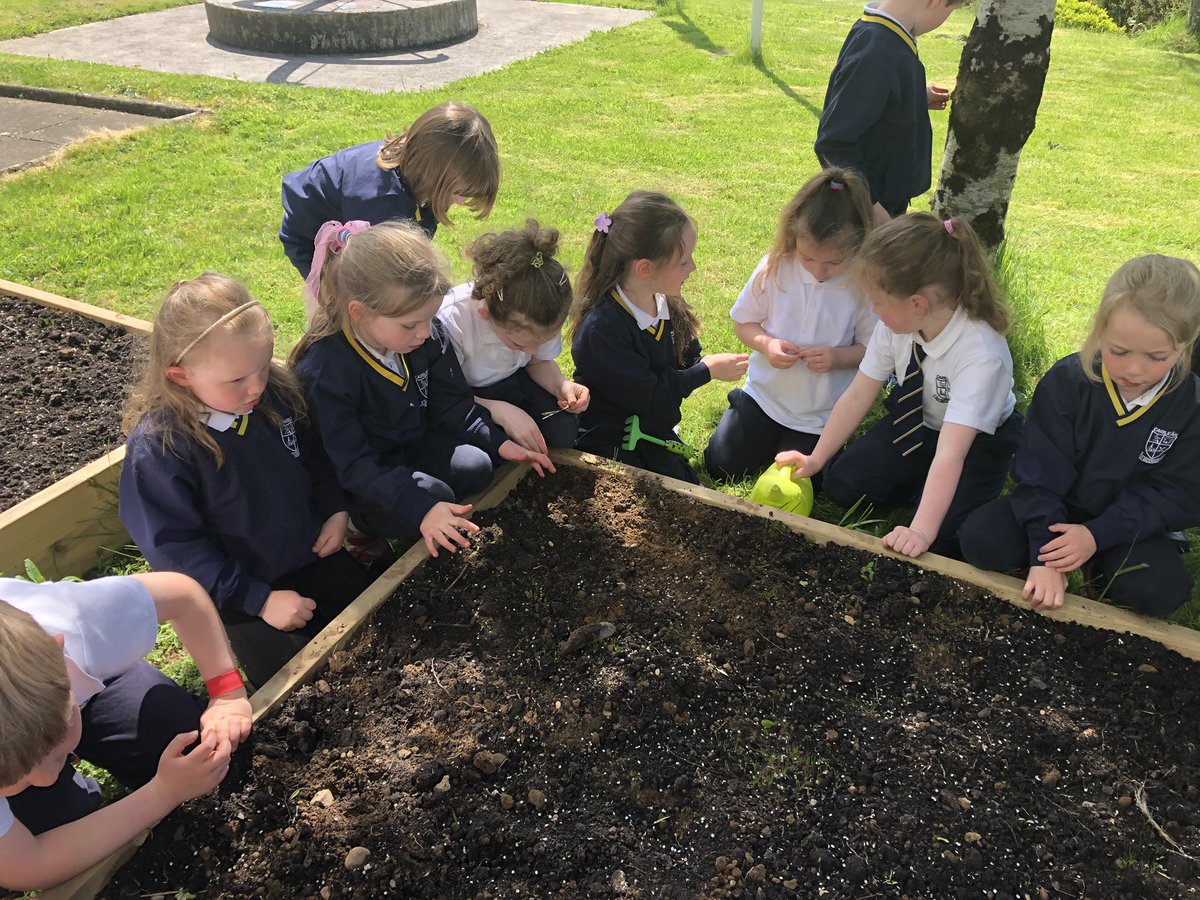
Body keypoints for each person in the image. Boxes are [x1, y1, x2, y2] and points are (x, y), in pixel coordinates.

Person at [120, 274, 373, 689]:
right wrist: (259, 600)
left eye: (263, 364)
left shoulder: (275, 393)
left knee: (379, 627)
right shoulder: (161, 449)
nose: (257, 385)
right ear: (180, 376)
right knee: (303, 687)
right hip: (241, 590)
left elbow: (313, 457)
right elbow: (177, 552)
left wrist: (334, 508)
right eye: (236, 379)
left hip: (311, 555)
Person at [290, 220, 554, 559]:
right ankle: (362, 528)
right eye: (411, 324)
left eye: (429, 319)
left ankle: (422, 508)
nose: (426, 333)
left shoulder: (423, 337)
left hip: (413, 446)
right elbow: (354, 465)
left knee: (477, 466)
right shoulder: (327, 371)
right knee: (434, 496)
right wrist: (422, 509)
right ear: (359, 313)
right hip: (361, 478)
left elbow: (450, 401)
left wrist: (498, 441)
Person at [960, 256, 1200, 615]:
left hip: (1127, 524)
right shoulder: (1067, 382)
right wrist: (1045, 554)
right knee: (980, 539)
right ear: (1100, 331)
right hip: (1058, 510)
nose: (1135, 370)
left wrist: (1097, 535)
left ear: (1186, 346)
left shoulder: (1191, 405)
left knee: (1161, 592)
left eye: (1156, 356)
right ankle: (1052, 566)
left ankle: (1096, 568)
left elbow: (1175, 492)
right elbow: (1039, 473)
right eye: (1119, 351)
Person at [776, 213, 1022, 559]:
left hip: (976, 443)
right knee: (842, 483)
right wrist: (816, 458)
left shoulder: (981, 355)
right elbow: (860, 392)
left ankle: (930, 499)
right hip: (915, 422)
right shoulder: (896, 326)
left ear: (917, 303)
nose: (873, 311)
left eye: (877, 302)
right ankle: (920, 484)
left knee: (944, 538)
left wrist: (921, 530)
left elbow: (952, 453)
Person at [0, 571, 250, 891]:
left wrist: (227, 693)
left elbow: (183, 596)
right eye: (13, 779)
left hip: (82, 681)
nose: (45, 777)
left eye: (58, 741)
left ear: (58, 654)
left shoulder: (78, 621)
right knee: (55, 825)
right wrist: (162, 793)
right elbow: (28, 865)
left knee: (173, 728)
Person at [704, 168, 878, 482]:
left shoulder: (863, 284)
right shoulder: (775, 267)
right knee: (721, 464)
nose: (819, 271)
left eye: (833, 262)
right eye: (808, 258)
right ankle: (749, 422)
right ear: (792, 236)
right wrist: (766, 345)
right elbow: (744, 323)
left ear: (858, 244)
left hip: (821, 415)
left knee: (805, 480)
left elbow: (874, 350)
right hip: (765, 397)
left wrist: (839, 358)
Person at [570, 191, 749, 484]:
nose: (693, 268)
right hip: (612, 436)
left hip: (651, 427)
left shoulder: (663, 301)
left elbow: (683, 358)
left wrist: (699, 362)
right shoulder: (602, 330)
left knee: (688, 488)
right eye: (684, 262)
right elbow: (650, 396)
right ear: (645, 269)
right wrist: (706, 372)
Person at [280, 101, 501, 294]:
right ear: (431, 171)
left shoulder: (415, 176)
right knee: (349, 304)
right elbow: (378, 274)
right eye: (457, 192)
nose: (459, 201)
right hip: (311, 236)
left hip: (353, 220)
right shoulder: (381, 205)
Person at [437, 219, 589, 454]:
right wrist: (501, 412)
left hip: (512, 380)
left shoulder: (540, 316)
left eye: (539, 343)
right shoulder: (453, 322)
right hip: (466, 396)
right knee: (486, 449)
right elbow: (446, 397)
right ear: (486, 313)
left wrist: (561, 384)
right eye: (520, 344)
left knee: (562, 430)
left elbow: (538, 362)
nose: (531, 351)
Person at [814, 0, 960, 221]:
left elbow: (870, 95)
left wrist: (914, 96)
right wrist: (872, 208)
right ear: (935, 2)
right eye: (950, 10)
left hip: (880, 202)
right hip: (864, 213)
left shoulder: (884, 36)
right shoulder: (877, 51)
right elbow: (834, 143)